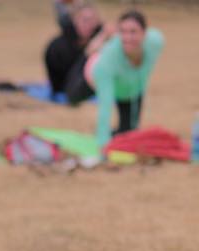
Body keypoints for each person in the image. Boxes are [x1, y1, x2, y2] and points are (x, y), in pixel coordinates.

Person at [64, 10, 164, 149]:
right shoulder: (107, 62)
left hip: (127, 88)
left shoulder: (155, 42)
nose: (127, 37)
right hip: (93, 75)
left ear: (144, 33)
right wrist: (103, 144)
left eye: (133, 31)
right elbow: (105, 107)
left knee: (128, 135)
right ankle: (88, 52)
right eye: (122, 31)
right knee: (71, 97)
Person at [44, 1, 107, 96]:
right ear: (74, 20)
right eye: (85, 20)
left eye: (93, 20)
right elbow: (67, 84)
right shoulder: (58, 47)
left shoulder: (98, 37)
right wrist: (86, 55)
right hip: (64, 88)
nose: (89, 24)